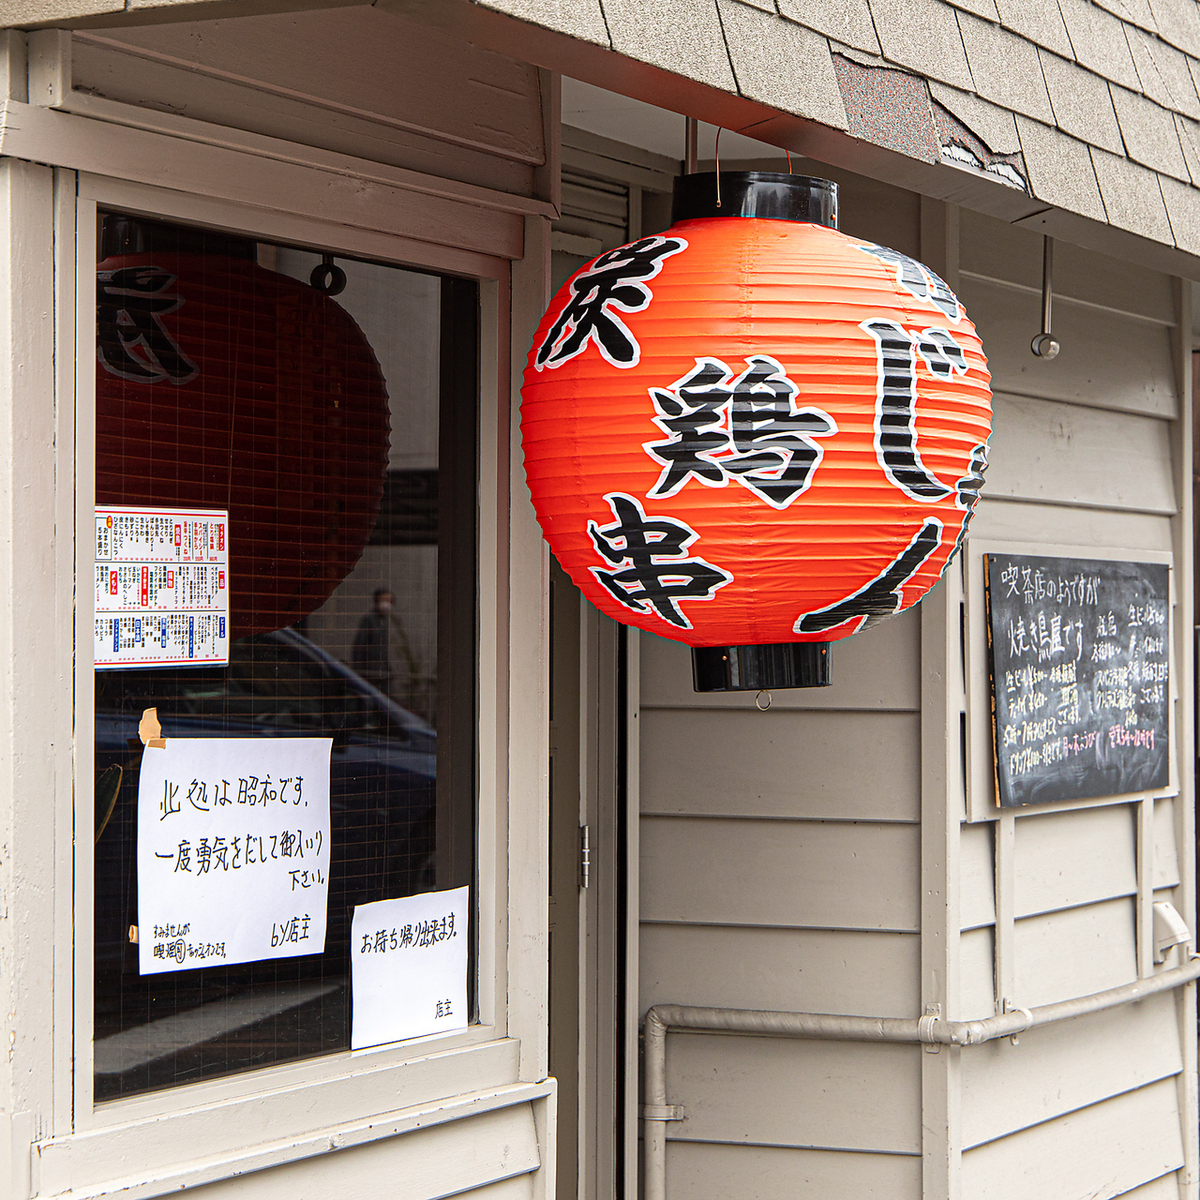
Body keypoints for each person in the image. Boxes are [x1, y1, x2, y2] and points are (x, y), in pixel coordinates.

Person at [352, 587, 394, 694]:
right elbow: (359, 646)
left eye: (388, 600)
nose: (386, 604)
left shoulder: (385, 621)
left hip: (382, 673)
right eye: (383, 600)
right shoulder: (369, 620)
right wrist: (358, 671)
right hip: (370, 673)